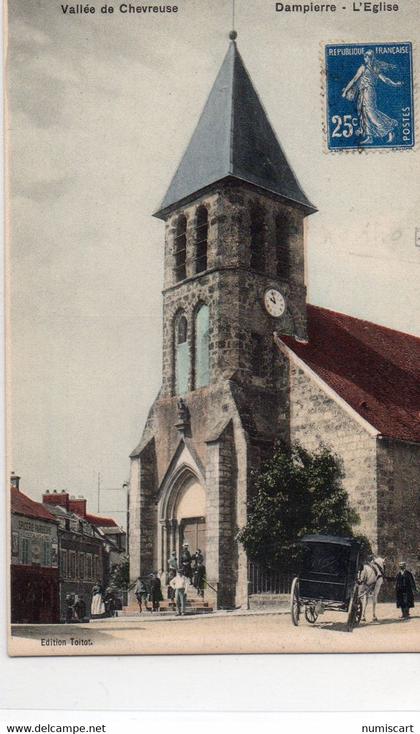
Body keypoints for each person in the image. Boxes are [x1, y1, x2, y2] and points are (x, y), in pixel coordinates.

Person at [341, 50, 403, 144]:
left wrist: (395, 84)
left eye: (366, 57)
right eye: (364, 57)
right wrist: (346, 91)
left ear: (371, 58)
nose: (365, 58)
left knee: (371, 113)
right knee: (364, 113)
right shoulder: (364, 67)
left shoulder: (374, 68)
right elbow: (354, 80)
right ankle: (369, 137)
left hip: (369, 92)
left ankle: (389, 130)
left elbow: (385, 79)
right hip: (363, 92)